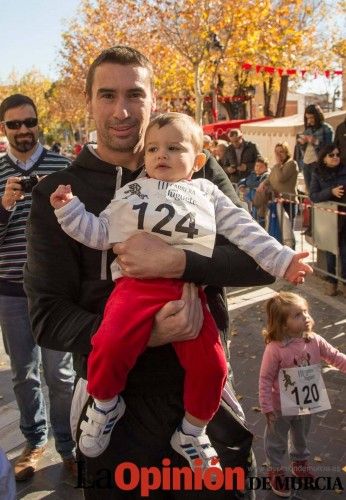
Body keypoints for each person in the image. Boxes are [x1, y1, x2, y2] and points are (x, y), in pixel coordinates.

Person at [23, 46, 309, 499]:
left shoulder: (197, 171)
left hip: (203, 401)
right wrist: (142, 332)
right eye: (108, 95)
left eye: (135, 94)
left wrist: (179, 263)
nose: (122, 110)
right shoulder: (59, 196)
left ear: (153, 99)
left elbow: (256, 259)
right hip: (113, 414)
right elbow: (47, 317)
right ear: (89, 101)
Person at [0, 94, 76, 481]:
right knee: (23, 374)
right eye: (14, 124)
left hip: (55, 291)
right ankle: (34, 441)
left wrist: (59, 201)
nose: (23, 130)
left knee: (60, 375)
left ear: (37, 122)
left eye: (28, 121)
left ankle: (68, 445)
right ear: (4, 128)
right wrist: (4, 206)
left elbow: (82, 230)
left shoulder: (63, 166)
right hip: (11, 290)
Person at [259, 292, 346, 497]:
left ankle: (299, 464)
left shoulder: (314, 339)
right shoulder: (275, 349)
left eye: (306, 312)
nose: (306, 317)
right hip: (280, 406)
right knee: (276, 439)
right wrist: (267, 407)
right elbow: (264, 379)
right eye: (297, 315)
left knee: (301, 436)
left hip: (306, 403)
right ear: (282, 324)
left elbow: (334, 356)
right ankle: (276, 471)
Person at [309, 144, 346, 296]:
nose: (336, 157)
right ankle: (332, 281)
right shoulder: (317, 173)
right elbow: (314, 196)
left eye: (337, 154)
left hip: (344, 217)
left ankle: (344, 281)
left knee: (345, 251)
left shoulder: (344, 169)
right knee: (330, 251)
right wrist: (330, 192)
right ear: (324, 158)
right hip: (329, 217)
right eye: (331, 155)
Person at [296, 104, 334, 194]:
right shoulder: (308, 129)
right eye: (307, 118)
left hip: (318, 164)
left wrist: (315, 141)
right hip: (306, 164)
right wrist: (302, 143)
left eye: (311, 117)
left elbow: (330, 149)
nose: (309, 121)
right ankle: (311, 208)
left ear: (317, 116)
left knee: (318, 192)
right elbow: (304, 151)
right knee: (310, 193)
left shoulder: (327, 129)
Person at [238, 157, 269, 226]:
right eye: (257, 166)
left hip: (260, 203)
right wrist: (242, 185)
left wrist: (249, 184)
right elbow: (245, 180)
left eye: (261, 167)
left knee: (259, 219)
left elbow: (255, 183)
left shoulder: (266, 175)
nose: (258, 168)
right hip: (251, 202)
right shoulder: (253, 174)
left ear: (266, 168)